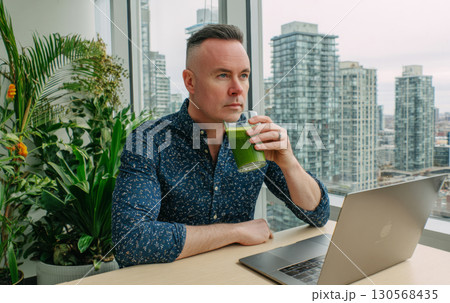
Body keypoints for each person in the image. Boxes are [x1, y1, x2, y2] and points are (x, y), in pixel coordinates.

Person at [112, 24, 329, 267]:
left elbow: (317, 214)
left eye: (243, 75)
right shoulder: (148, 140)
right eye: (223, 75)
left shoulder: (250, 137)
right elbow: (130, 243)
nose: (238, 89)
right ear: (190, 81)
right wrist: (235, 232)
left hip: (237, 279)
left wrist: (290, 164)